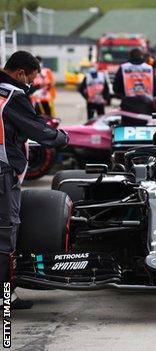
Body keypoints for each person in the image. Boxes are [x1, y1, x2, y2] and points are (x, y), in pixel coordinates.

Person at [0, 51, 69, 308]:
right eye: (30, 77)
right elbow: (39, 131)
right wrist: (62, 138)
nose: (31, 82)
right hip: (3, 173)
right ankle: (3, 296)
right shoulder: (13, 96)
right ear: (20, 73)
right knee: (6, 231)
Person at [113, 47, 156, 122]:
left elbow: (116, 88)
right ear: (142, 56)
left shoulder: (123, 67)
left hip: (128, 107)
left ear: (130, 56)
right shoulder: (150, 68)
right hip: (146, 106)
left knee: (128, 128)